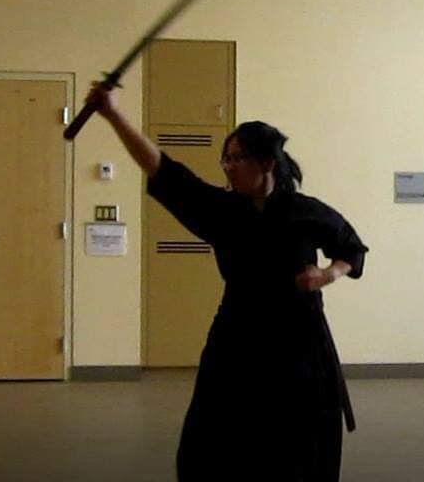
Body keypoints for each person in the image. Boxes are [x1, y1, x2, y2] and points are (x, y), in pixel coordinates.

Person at [85, 82, 369, 481]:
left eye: (238, 159)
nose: (229, 166)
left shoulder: (306, 212)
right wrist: (113, 114)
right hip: (237, 338)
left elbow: (352, 249)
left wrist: (326, 274)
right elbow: (165, 171)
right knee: (213, 443)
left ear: (267, 163)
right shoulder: (223, 211)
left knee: (300, 446)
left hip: (300, 344)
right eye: (226, 159)